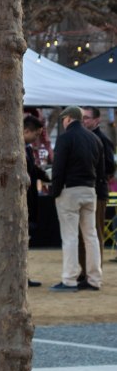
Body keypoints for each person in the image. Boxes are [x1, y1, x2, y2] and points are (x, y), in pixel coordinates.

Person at [50, 106, 103, 291]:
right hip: (90, 190)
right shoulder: (95, 138)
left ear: (68, 119)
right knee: (91, 236)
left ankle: (69, 279)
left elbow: (58, 168)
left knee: (70, 237)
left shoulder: (65, 138)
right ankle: (94, 279)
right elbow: (101, 170)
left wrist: (55, 192)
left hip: (69, 191)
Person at [80, 106, 114, 268]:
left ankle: (95, 268)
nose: (83, 121)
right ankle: (88, 267)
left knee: (96, 231)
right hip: (87, 191)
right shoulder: (86, 137)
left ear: (96, 120)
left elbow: (109, 168)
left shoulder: (102, 139)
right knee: (86, 232)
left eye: (87, 117)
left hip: (98, 192)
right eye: (82, 117)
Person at [23, 114, 50, 287]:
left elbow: (32, 170)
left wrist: (43, 174)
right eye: (36, 134)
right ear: (26, 130)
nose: (37, 139)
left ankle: (23, 275)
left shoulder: (26, 149)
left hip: (29, 201)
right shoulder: (19, 148)